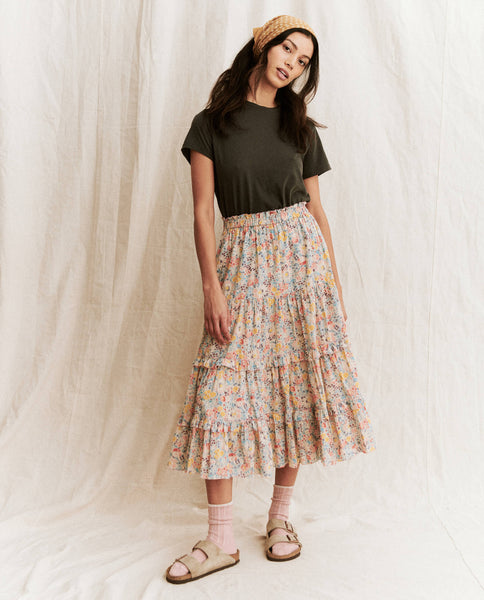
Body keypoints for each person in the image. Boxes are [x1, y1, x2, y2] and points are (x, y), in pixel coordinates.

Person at [165, 14, 376, 584]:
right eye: (288, 49)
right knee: (220, 389)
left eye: (304, 61)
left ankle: (280, 519)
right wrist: (211, 286)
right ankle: (220, 538)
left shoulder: (299, 126)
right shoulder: (211, 124)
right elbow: (202, 214)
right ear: (264, 45)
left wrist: (332, 285)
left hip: (302, 262)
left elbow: (316, 210)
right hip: (241, 260)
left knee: (296, 385)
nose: (292, 64)